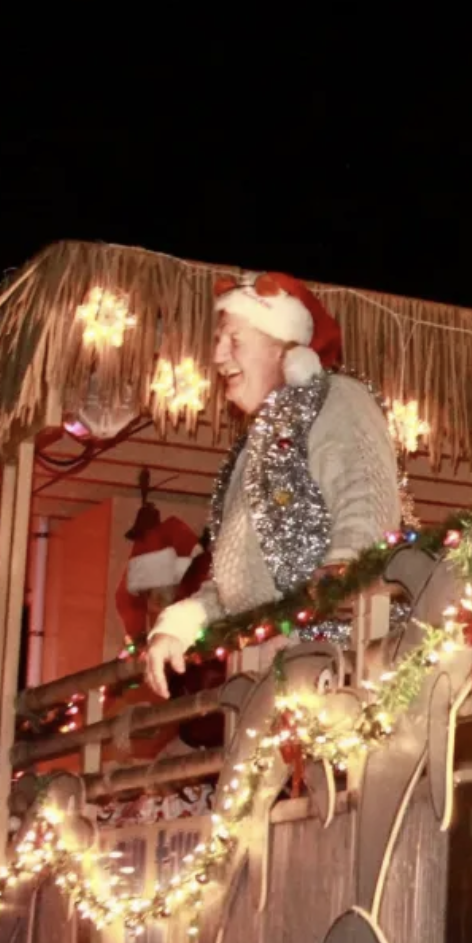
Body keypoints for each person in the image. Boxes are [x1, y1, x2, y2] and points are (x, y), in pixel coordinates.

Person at [143, 273, 402, 699]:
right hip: (271, 677)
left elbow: (367, 507)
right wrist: (179, 625)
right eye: (217, 340)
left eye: (234, 339)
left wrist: (332, 589)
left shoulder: (335, 398)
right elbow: (233, 585)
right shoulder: (251, 449)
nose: (219, 355)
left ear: (284, 349)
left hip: (348, 671)